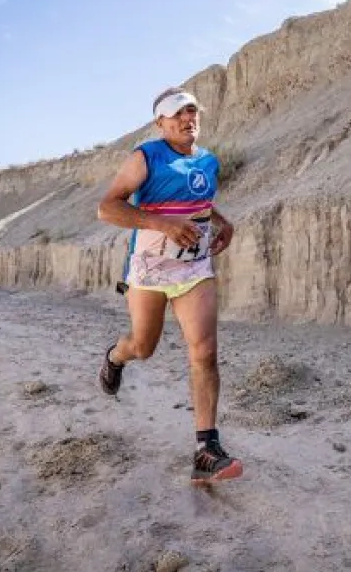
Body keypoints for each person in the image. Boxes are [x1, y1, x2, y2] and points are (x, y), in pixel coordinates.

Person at [96, 87, 242, 485]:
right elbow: (108, 207)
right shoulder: (146, 156)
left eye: (192, 112)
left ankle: (205, 449)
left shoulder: (208, 160)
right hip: (149, 269)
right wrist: (161, 224)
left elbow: (199, 202)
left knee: (205, 352)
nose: (187, 119)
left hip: (194, 268)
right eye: (177, 114)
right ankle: (115, 357)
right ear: (160, 122)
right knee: (143, 347)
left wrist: (222, 221)